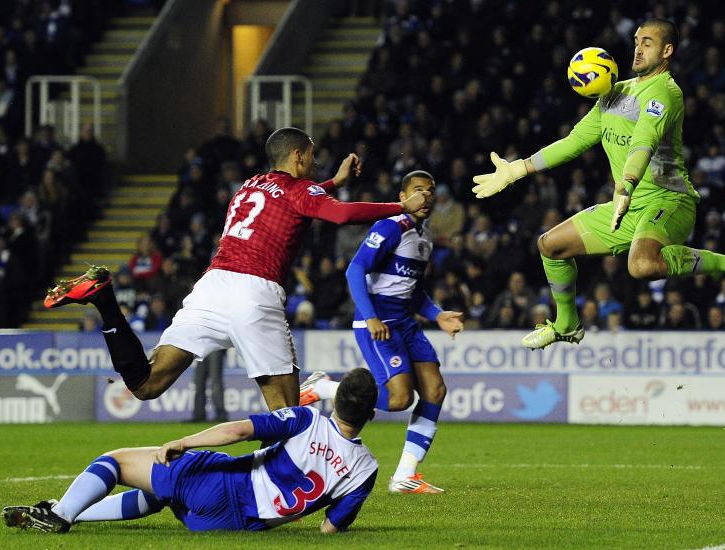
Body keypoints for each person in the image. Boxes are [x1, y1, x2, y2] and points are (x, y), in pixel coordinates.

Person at [42, 127, 430, 411]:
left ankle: (105, 299)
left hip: (211, 288)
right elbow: (341, 214)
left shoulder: (250, 185)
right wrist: (401, 206)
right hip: (255, 292)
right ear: (297, 156)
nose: (314, 163)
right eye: (311, 156)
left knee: (146, 384)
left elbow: (291, 199)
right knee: (286, 411)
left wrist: (332, 181)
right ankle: (272, 494)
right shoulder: (301, 190)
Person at [471, 19, 725, 349]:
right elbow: (574, 141)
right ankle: (567, 324)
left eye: (647, 42)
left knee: (642, 265)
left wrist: (626, 185)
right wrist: (517, 169)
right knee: (550, 245)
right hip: (625, 205)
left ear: (667, 50)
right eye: (636, 41)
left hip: (668, 200)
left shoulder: (665, 93)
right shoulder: (614, 93)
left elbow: (643, 142)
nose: (638, 48)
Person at [2, 369, 379, 534]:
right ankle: (70, 513)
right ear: (371, 415)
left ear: (335, 400)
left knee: (113, 461)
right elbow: (330, 528)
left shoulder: (305, 419)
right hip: (230, 525)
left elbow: (237, 431)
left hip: (219, 485)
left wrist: (184, 442)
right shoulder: (366, 468)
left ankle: (63, 514)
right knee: (156, 495)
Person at [299, 170, 464, 494]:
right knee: (400, 398)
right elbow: (355, 269)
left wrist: (437, 314)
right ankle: (324, 388)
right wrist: (372, 317)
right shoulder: (391, 226)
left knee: (435, 391)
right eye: (418, 190)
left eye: (430, 191)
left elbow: (413, 290)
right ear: (403, 197)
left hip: (405, 322)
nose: (426, 196)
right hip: (379, 323)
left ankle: (404, 476)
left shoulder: (424, 239)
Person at [191, 350, 227, 423]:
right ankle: (199, 415)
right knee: (198, 381)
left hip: (216, 346)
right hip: (202, 348)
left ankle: (221, 415)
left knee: (215, 380)